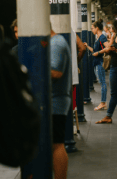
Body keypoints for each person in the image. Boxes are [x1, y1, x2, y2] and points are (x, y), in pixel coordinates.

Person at [50, 27, 73, 179]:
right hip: (53, 100)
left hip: (55, 101)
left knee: (56, 144)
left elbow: (56, 72)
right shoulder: (53, 42)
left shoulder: (56, 43)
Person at [84, 21, 108, 111]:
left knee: (102, 83)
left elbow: (108, 47)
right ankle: (103, 102)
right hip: (97, 62)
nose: (92, 30)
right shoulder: (98, 38)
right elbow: (94, 50)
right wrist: (87, 47)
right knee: (102, 82)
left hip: (100, 62)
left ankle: (103, 103)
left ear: (97, 28)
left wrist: (98, 53)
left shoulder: (102, 37)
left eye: (92, 28)